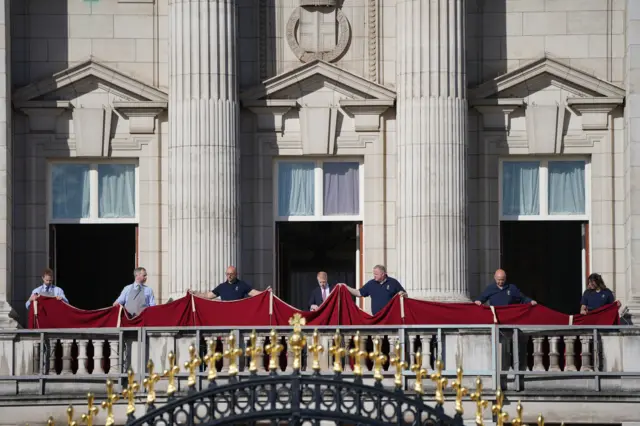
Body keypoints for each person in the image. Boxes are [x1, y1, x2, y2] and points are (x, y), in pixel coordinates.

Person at [192, 265, 264, 301]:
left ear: (236, 274)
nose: (229, 276)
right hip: (225, 316)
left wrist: (266, 292)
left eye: (231, 274)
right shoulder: (222, 287)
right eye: (227, 274)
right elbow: (208, 296)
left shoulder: (242, 285)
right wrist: (195, 294)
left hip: (239, 315)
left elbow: (254, 293)